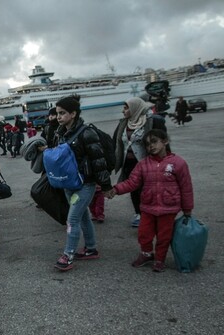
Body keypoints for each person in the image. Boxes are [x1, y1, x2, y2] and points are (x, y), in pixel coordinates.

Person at [105, 129, 193, 272]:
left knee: (164, 237)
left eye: (154, 142)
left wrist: (187, 209)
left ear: (165, 141)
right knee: (144, 234)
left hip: (168, 209)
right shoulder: (143, 164)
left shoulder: (178, 163)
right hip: (147, 207)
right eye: (147, 144)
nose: (151, 146)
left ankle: (160, 259)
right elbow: (131, 182)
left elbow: (186, 187)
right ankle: (146, 254)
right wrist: (115, 189)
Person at [53, 95, 112, 271]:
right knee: (83, 216)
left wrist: (106, 185)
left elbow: (98, 160)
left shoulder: (87, 133)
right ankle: (91, 249)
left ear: (73, 114)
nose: (58, 117)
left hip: (86, 184)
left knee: (72, 219)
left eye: (62, 113)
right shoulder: (61, 132)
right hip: (70, 184)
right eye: (57, 113)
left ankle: (68, 254)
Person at [113, 97, 167, 227]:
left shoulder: (151, 121)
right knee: (133, 188)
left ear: (135, 108)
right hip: (129, 163)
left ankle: (152, 213)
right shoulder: (124, 123)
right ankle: (139, 213)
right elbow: (115, 141)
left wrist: (164, 160)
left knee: (148, 189)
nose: (123, 111)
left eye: (126, 108)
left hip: (146, 162)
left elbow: (162, 141)